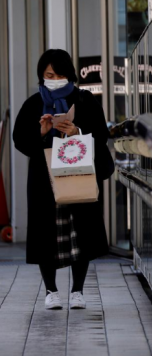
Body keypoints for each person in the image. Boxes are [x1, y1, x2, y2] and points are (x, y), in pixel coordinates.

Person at [12, 49, 114, 310]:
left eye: (58, 74)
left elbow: (101, 135)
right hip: (44, 179)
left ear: (68, 75)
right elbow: (20, 140)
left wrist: (77, 131)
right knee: (47, 233)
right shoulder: (33, 103)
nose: (53, 78)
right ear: (41, 76)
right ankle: (51, 290)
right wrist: (42, 132)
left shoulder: (85, 101)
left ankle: (77, 290)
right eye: (48, 75)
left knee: (79, 233)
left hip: (77, 174)